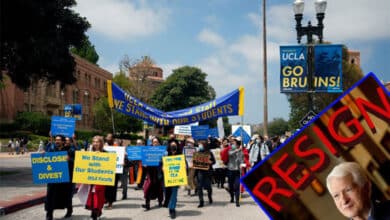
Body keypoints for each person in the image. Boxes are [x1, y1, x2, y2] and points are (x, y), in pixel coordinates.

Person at [44, 134, 75, 220]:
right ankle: (49, 213)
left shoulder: (69, 150)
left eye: (59, 140)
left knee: (66, 195)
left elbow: (76, 161)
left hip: (65, 177)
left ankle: (69, 209)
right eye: (56, 140)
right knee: (50, 194)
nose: (57, 141)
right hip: (53, 177)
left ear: (63, 141)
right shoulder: (52, 149)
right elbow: (46, 155)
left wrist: (70, 159)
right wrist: (43, 154)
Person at [84, 136, 106, 220]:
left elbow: (109, 165)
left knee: (98, 197)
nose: (95, 143)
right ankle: (94, 214)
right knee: (92, 198)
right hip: (91, 179)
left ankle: (97, 212)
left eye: (97, 142)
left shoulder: (106, 153)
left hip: (101, 181)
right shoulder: (89, 152)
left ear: (101, 143)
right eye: (94, 141)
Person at [142, 137, 164, 210]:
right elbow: (144, 160)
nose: (155, 143)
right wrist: (144, 163)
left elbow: (165, 160)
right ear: (152, 143)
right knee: (148, 186)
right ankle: (147, 203)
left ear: (158, 143)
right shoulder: (148, 150)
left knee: (159, 187)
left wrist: (162, 161)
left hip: (158, 171)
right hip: (150, 171)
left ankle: (160, 201)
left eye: (156, 142)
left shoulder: (162, 150)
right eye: (154, 142)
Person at [195, 141, 216, 208]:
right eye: (199, 145)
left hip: (207, 172)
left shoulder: (209, 153)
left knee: (208, 187)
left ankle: (209, 196)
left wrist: (210, 162)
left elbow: (214, 162)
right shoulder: (197, 153)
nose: (200, 146)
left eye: (201, 145)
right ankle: (201, 201)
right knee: (199, 187)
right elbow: (195, 162)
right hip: (200, 172)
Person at [165, 141, 182, 219]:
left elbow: (183, 164)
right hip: (166, 177)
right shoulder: (165, 154)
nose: (173, 147)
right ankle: (170, 206)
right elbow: (160, 162)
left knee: (174, 193)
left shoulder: (180, 155)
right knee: (167, 193)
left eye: (174, 145)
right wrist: (162, 167)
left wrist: (184, 167)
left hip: (175, 178)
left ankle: (172, 209)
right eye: (172, 145)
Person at [227, 138, 244, 207]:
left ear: (237, 145)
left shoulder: (241, 152)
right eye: (232, 144)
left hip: (237, 171)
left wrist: (242, 165)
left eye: (234, 144)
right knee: (231, 186)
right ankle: (232, 197)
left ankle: (237, 201)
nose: (233, 145)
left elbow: (242, 160)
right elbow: (230, 154)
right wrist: (237, 150)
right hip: (230, 170)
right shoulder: (230, 150)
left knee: (237, 186)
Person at [104, 133, 119, 209]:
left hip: (114, 171)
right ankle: (106, 199)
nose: (108, 139)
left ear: (113, 139)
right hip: (105, 171)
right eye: (107, 137)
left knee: (112, 188)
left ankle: (110, 203)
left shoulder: (116, 147)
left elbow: (120, 156)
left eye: (110, 137)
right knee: (105, 187)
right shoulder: (103, 147)